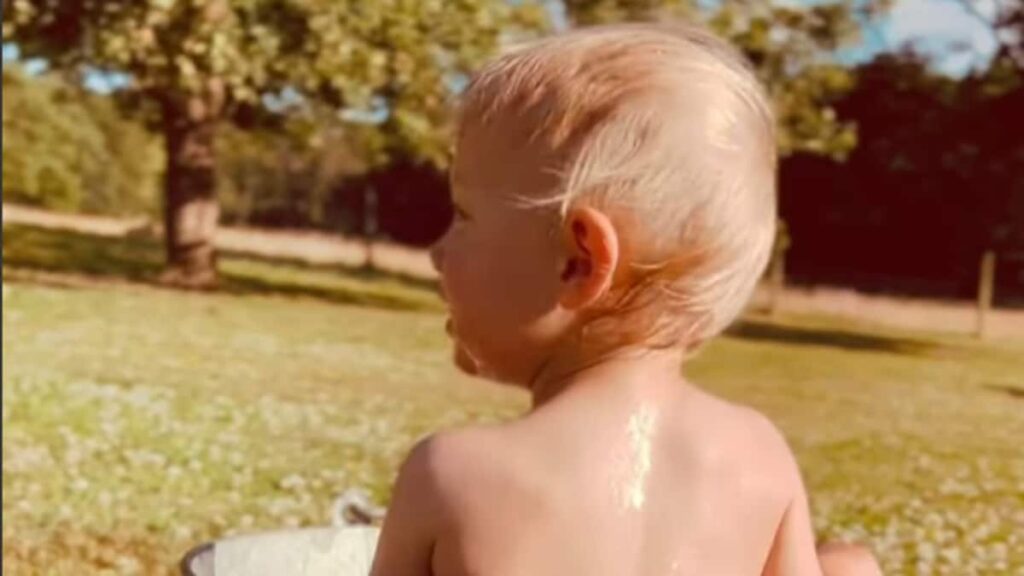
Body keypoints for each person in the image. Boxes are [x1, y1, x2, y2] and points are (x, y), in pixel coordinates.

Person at [370, 23, 883, 576]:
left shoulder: (453, 475)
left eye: (463, 214)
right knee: (849, 565)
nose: (437, 252)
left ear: (579, 260)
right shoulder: (758, 456)